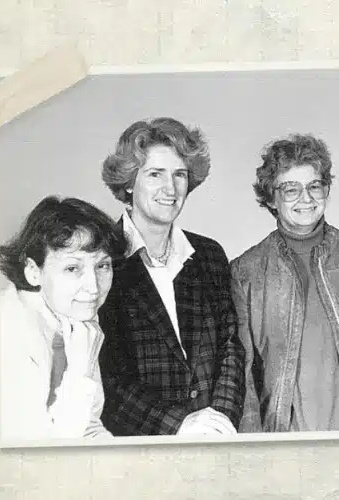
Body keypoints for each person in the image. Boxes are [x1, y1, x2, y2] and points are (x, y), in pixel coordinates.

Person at [96, 117, 245, 436]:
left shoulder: (208, 255)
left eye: (179, 174)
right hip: (139, 443)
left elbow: (230, 347)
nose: (170, 188)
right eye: (155, 174)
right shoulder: (101, 259)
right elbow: (105, 373)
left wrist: (219, 421)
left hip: (214, 437)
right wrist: (179, 424)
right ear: (129, 182)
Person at [230, 134, 339, 433]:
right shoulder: (245, 272)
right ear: (270, 198)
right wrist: (252, 447)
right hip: (284, 438)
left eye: (315, 186)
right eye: (291, 189)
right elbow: (243, 372)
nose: (306, 199)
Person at [0, 196, 125, 441]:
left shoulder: (75, 315)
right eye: (72, 268)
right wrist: (80, 372)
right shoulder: (6, 330)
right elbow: (43, 449)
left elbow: (88, 426)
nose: (93, 287)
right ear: (33, 272)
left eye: (102, 266)